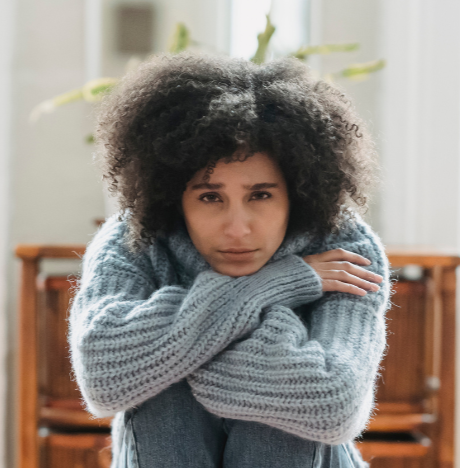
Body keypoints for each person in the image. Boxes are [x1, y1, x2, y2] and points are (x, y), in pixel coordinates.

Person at [67, 51, 391, 468]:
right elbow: (104, 376)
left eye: (260, 195)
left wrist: (173, 351)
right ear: (173, 194)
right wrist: (275, 284)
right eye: (209, 196)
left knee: (273, 409)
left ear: (297, 191)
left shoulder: (344, 248)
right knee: (171, 400)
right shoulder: (134, 238)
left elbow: (330, 403)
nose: (237, 228)